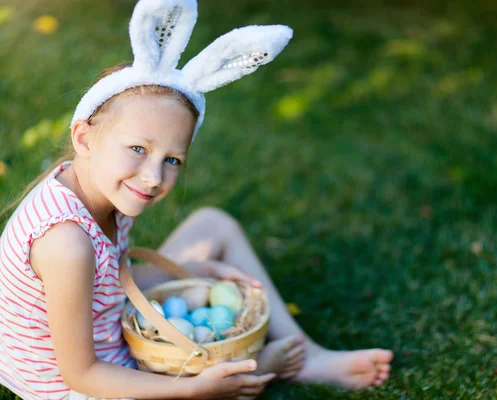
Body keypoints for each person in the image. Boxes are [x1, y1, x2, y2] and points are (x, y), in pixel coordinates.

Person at [0, 0, 393, 399]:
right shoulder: (65, 242)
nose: (154, 177)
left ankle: (305, 355)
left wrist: (192, 269)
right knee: (201, 386)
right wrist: (190, 390)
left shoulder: (98, 189)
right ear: (84, 138)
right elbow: (81, 375)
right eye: (137, 148)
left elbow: (107, 285)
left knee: (212, 226)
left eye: (172, 159)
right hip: (76, 385)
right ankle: (255, 369)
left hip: (102, 329)